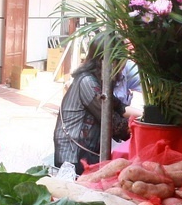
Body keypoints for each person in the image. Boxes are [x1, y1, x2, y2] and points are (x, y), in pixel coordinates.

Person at [53, 40, 130, 173]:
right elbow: (114, 123)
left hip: (86, 153)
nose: (123, 67)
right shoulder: (87, 82)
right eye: (122, 61)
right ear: (109, 61)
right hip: (74, 158)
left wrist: (144, 115)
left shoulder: (95, 81)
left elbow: (116, 105)